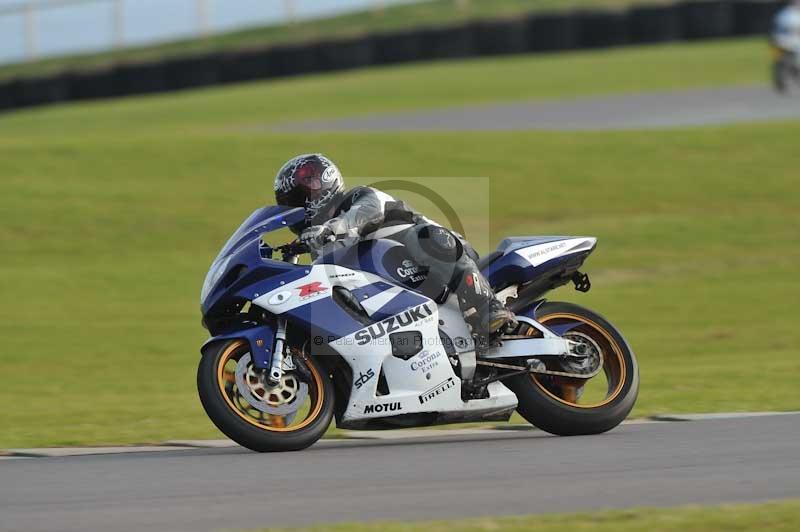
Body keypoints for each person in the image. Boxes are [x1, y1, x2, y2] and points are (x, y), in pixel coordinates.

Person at [273, 153, 516, 338]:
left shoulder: (360, 198)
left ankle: (487, 307)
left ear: (323, 184)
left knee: (424, 238)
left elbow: (367, 212)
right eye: (290, 203)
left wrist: (334, 227)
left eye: (300, 198)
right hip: (405, 287)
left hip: (444, 257)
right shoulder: (321, 244)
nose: (298, 207)